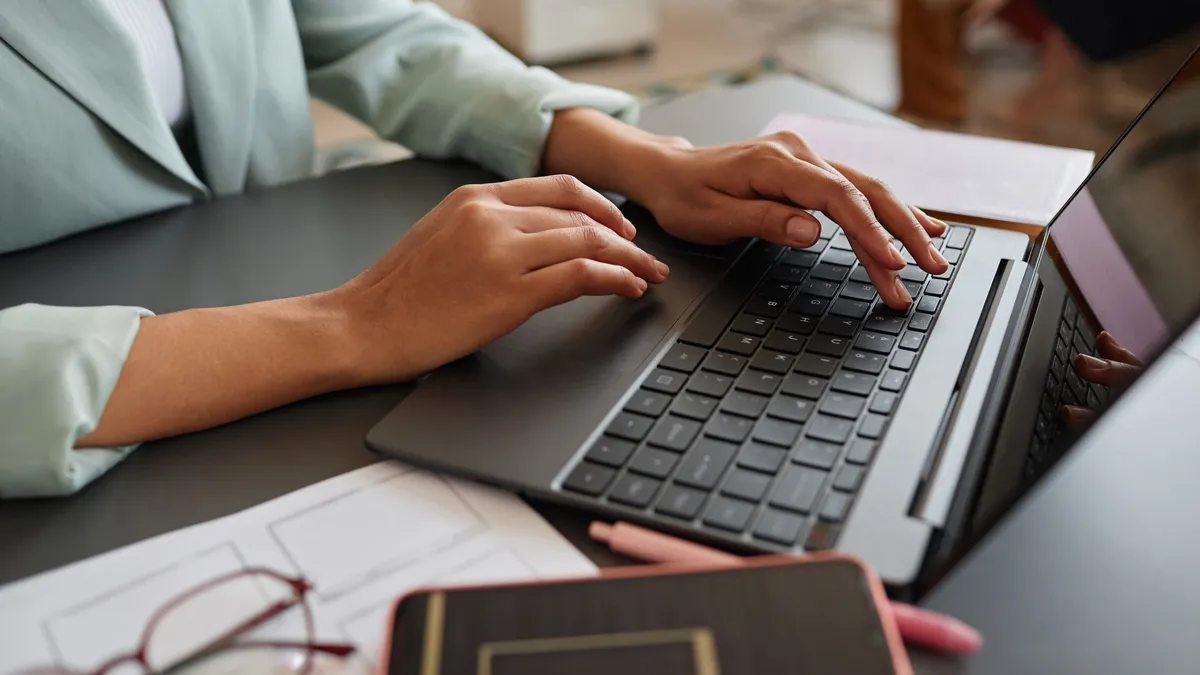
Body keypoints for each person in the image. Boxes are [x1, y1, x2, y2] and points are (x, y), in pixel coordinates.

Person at [0, 0, 956, 498]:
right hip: (103, 430)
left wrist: (648, 158)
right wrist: (354, 323)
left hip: (301, 351)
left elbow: (371, 28)